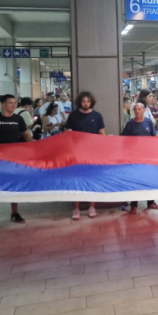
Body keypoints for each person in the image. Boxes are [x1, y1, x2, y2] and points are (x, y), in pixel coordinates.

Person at [0, 94, 32, 228]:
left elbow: (26, 135)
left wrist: (36, 146)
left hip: (15, 159)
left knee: (14, 186)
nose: (13, 105)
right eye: (10, 103)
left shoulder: (18, 119)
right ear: (3, 104)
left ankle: (14, 213)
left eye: (15, 103)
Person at [65, 91, 106, 220]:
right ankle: (76, 208)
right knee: (76, 180)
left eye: (88, 101)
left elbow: (102, 135)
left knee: (92, 179)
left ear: (91, 102)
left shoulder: (97, 116)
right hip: (77, 153)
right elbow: (68, 134)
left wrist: (103, 149)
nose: (86, 103)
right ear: (79, 102)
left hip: (93, 153)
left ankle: (91, 206)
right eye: (83, 101)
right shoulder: (73, 116)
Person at [122, 103, 158, 211]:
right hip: (134, 158)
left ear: (144, 110)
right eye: (135, 109)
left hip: (148, 157)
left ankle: (151, 202)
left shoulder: (148, 122)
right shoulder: (130, 124)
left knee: (149, 178)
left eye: (139, 109)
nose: (137, 111)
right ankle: (134, 205)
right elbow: (123, 140)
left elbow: (154, 136)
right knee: (135, 179)